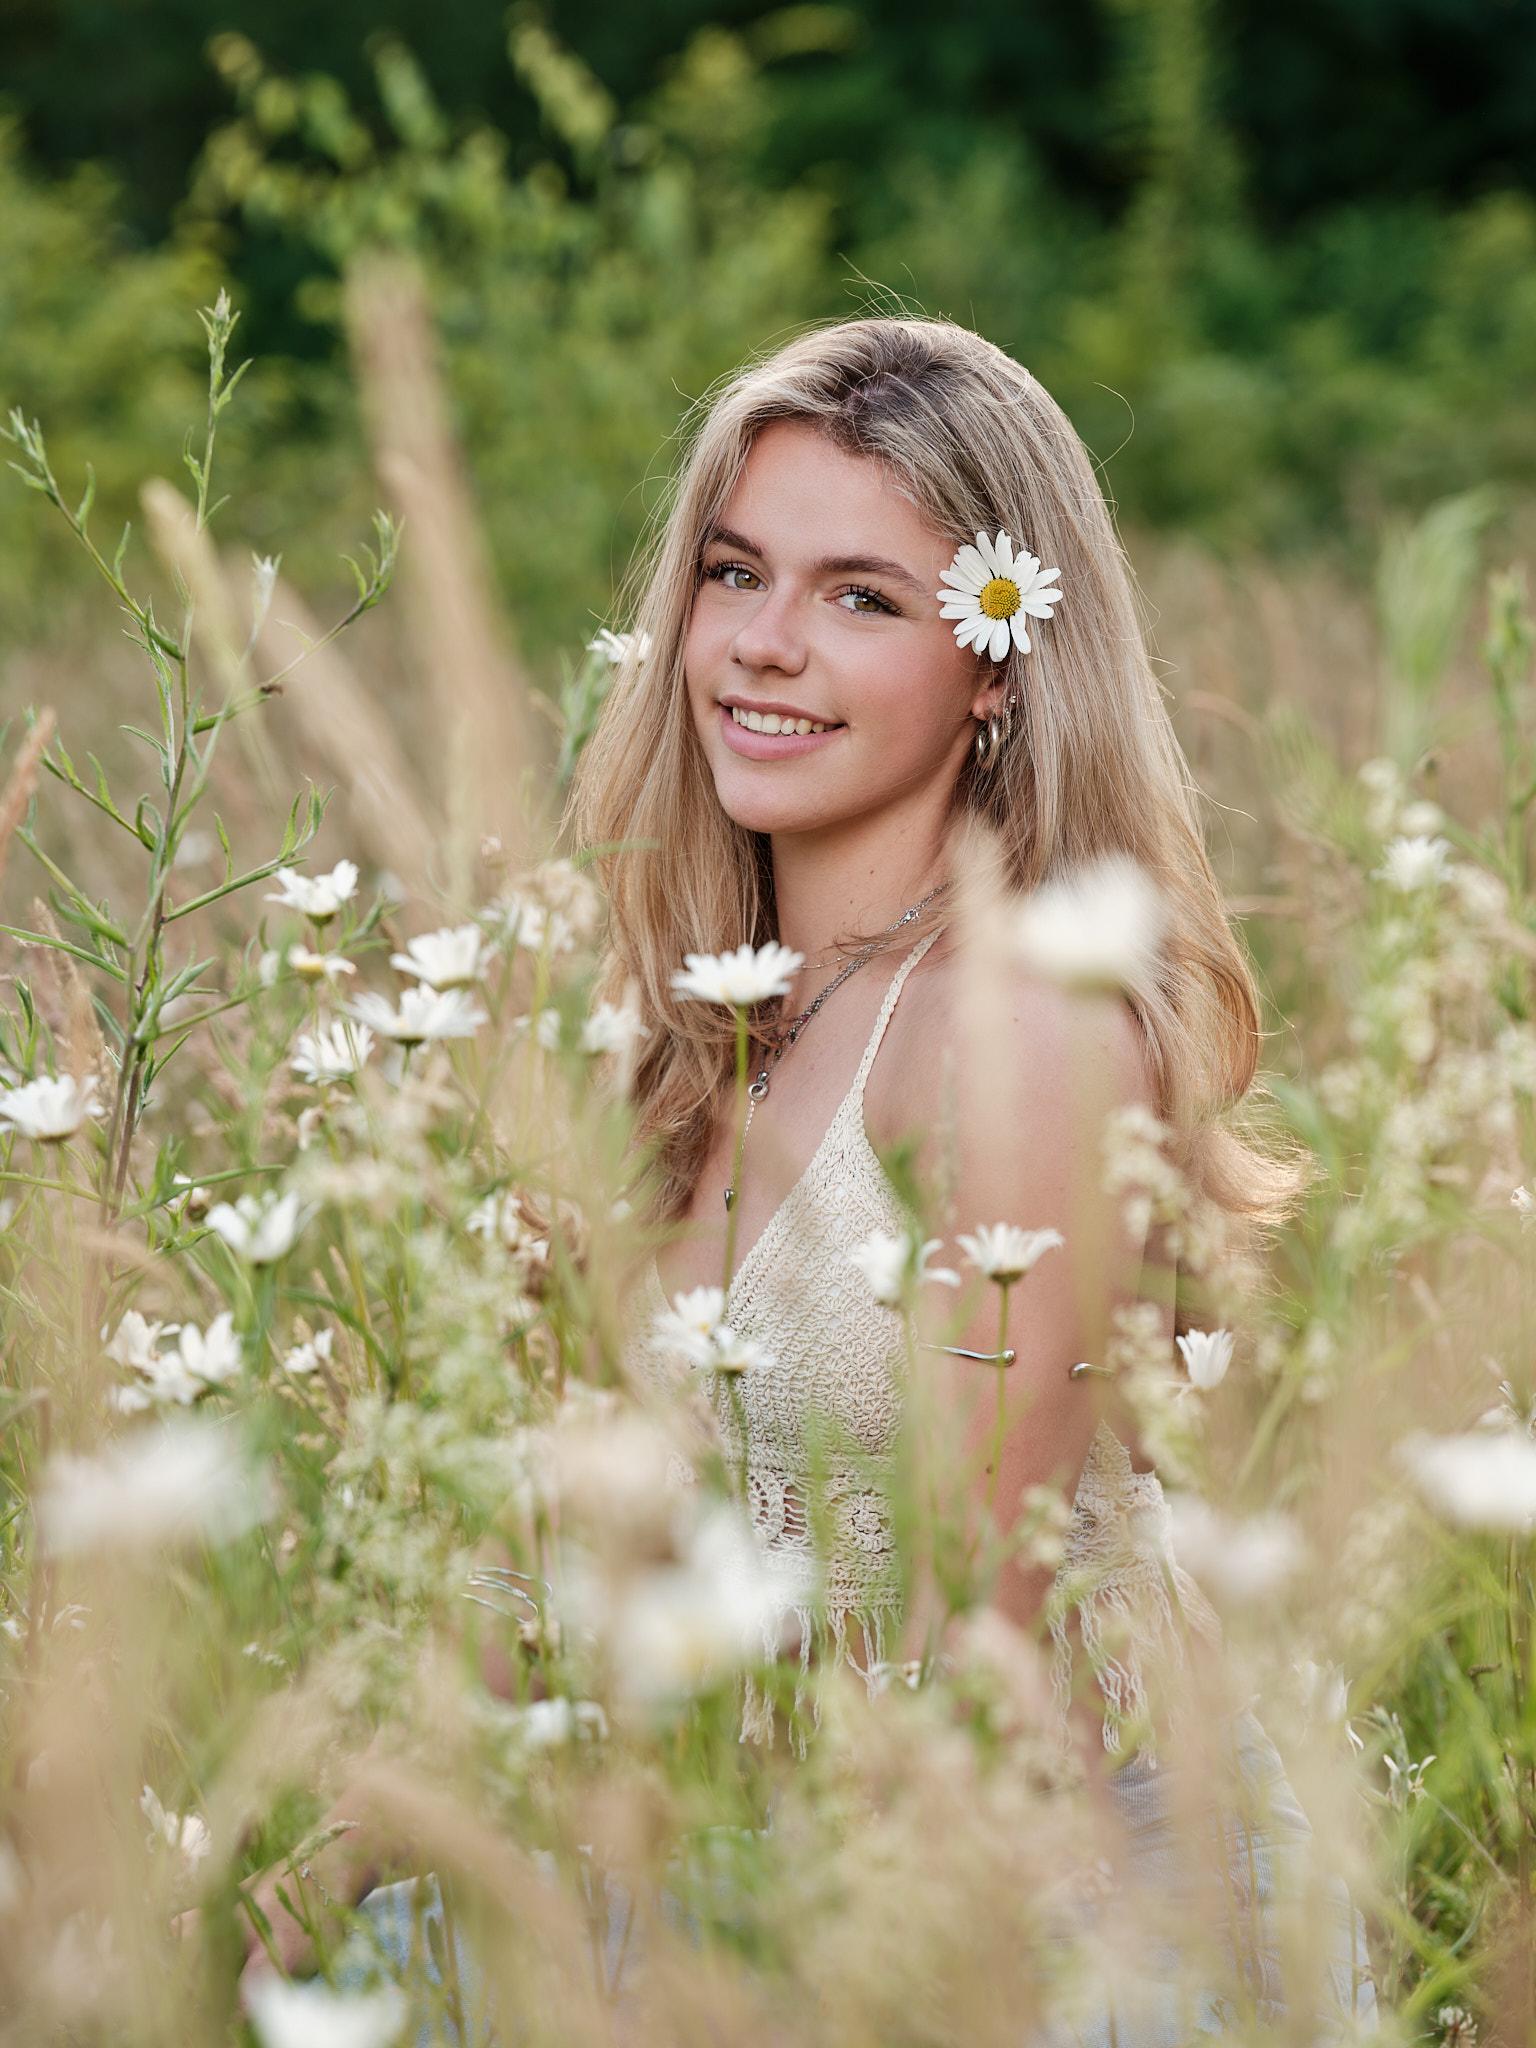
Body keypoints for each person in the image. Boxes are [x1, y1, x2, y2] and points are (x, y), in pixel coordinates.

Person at [566, 313, 1380, 2039]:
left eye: (861, 598)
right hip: (741, 1876)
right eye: (734, 573)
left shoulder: (1023, 1029)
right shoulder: (681, 1032)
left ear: (996, 664)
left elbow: (966, 1650)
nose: (764, 645)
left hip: (1029, 1932)